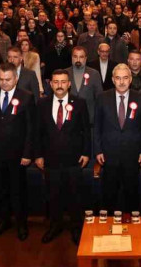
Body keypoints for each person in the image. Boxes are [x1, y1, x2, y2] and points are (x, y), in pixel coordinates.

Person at [35, 69, 91, 245]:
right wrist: (38, 155)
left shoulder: (80, 103)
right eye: (56, 82)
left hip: (74, 159)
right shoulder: (42, 104)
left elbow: (86, 131)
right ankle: (55, 225)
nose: (59, 85)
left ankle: (76, 227)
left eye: (63, 82)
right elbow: (38, 133)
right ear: (50, 84)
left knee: (75, 194)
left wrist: (86, 153)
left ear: (69, 84)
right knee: (53, 194)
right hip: (50, 159)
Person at [0, 62, 36, 241]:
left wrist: (28, 153)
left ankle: (21, 223)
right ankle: (3, 221)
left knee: (18, 190)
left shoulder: (26, 96)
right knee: (1, 189)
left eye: (8, 79)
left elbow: (30, 128)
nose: (4, 83)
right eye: (1, 79)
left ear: (16, 78)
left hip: (18, 154)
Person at [93, 64, 141, 214]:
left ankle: (133, 230)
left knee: (132, 195)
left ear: (130, 79)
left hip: (133, 155)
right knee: (109, 195)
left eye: (125, 78)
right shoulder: (102, 98)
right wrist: (98, 150)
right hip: (108, 155)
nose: (122, 82)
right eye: (118, 78)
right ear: (112, 79)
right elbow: (97, 127)